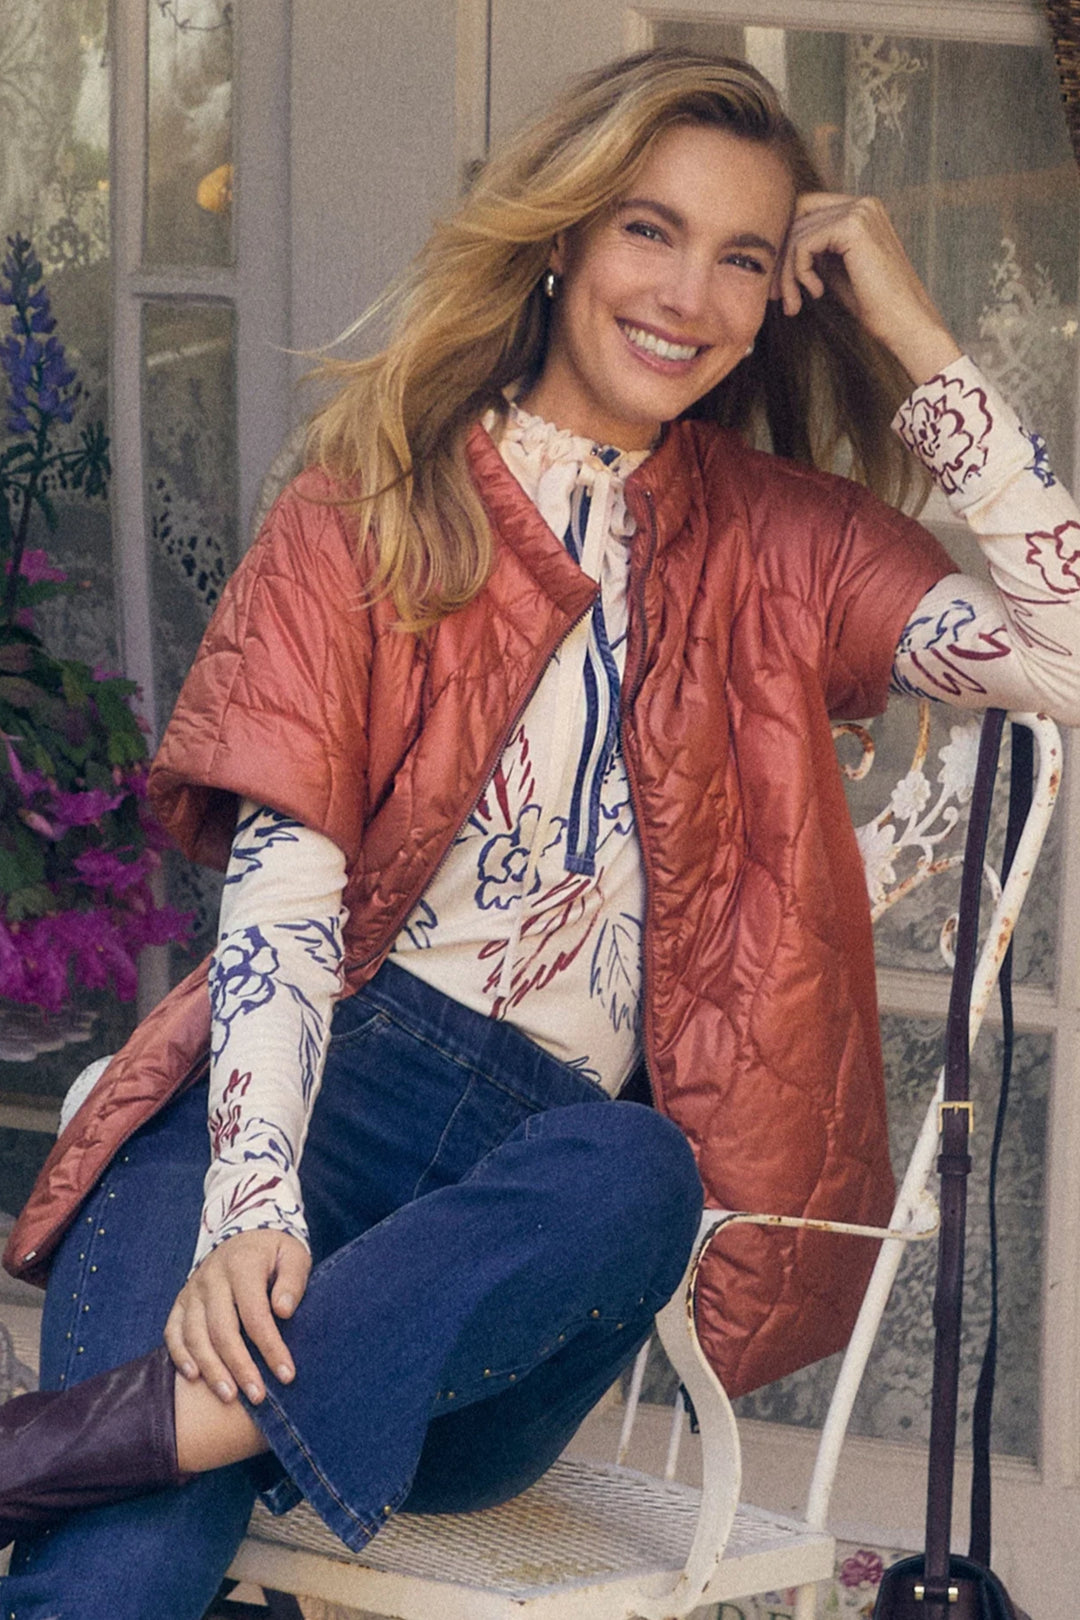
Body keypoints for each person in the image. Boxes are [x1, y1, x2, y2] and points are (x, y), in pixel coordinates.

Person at [2, 47, 1080, 1620]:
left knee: (638, 1170)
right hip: (306, 1101)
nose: (689, 293)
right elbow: (287, 888)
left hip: (515, 1243)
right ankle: (152, 1445)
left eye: (746, 258)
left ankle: (75, 1444)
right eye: (650, 228)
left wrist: (911, 324)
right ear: (563, 234)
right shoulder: (368, 499)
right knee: (127, 1571)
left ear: (791, 293)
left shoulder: (788, 542)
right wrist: (249, 1209)